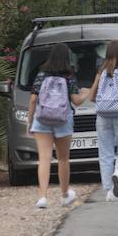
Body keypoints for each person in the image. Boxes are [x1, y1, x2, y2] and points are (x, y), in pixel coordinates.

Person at [27, 43, 92, 210]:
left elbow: (33, 99)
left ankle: (42, 197)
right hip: (63, 120)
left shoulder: (41, 75)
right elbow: (76, 101)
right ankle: (64, 195)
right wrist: (85, 93)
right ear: (66, 57)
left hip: (42, 120)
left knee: (44, 158)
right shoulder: (69, 76)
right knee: (63, 159)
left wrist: (30, 121)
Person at [90, 40, 118, 203]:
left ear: (107, 53)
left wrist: (104, 101)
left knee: (105, 153)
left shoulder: (100, 72)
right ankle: (117, 172)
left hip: (102, 116)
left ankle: (109, 191)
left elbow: (91, 96)